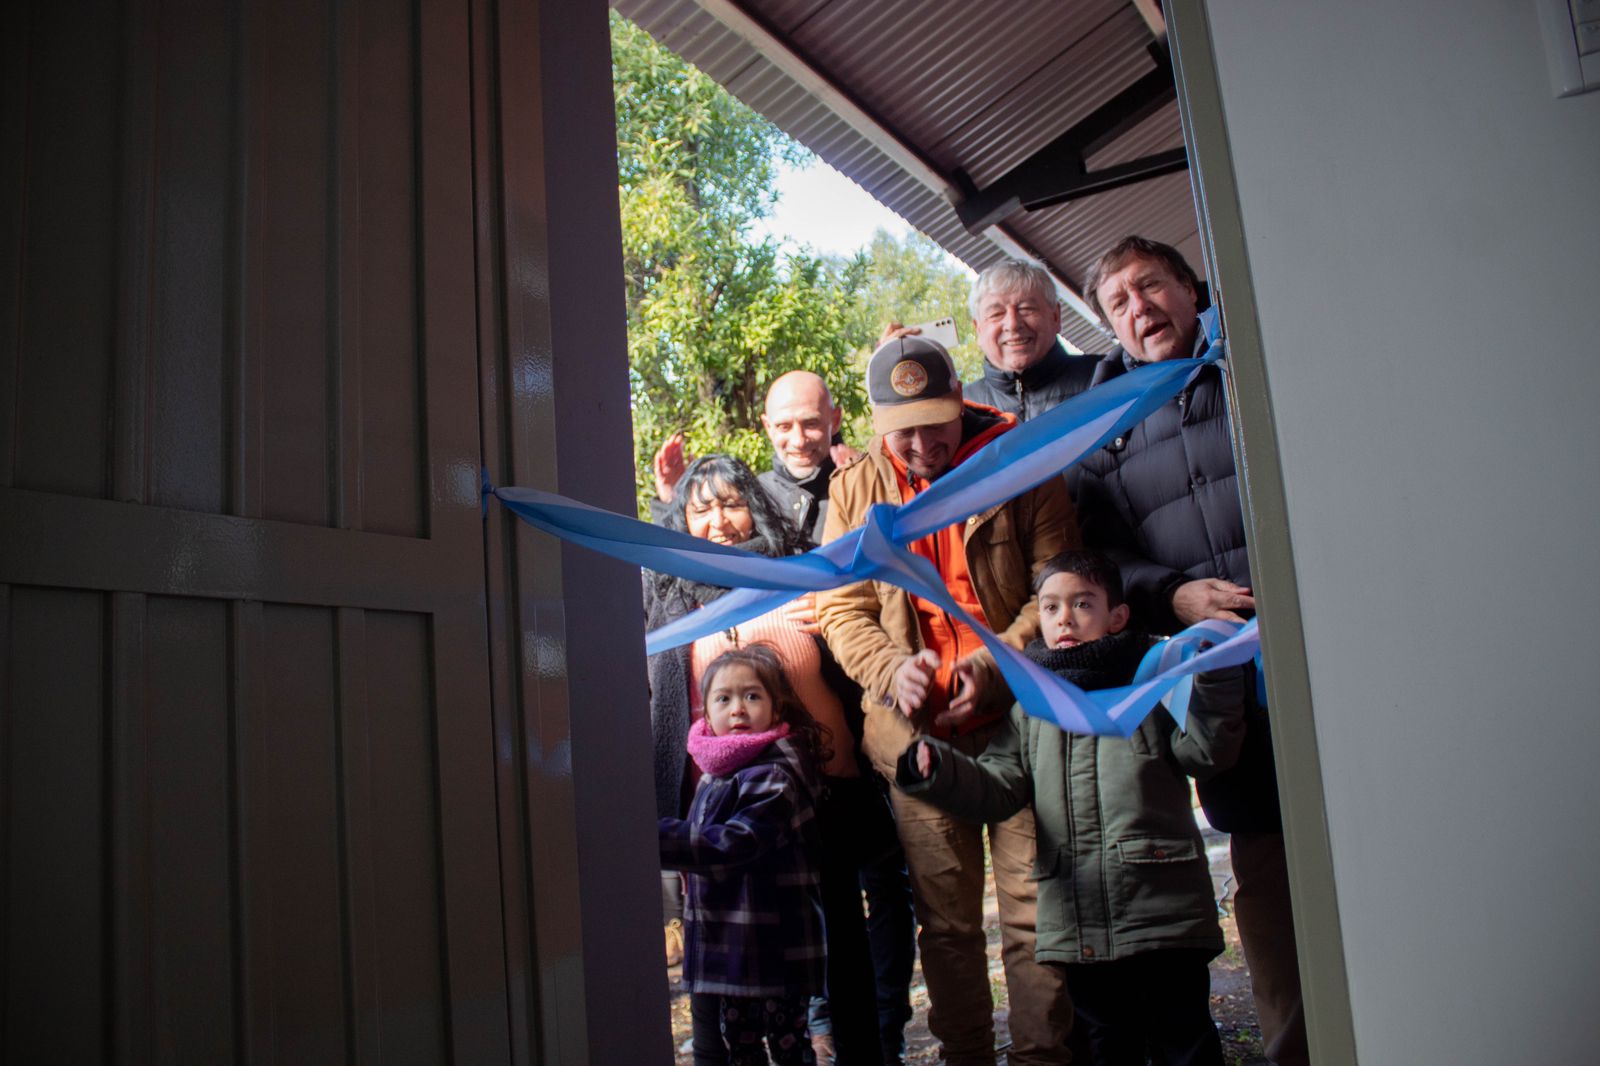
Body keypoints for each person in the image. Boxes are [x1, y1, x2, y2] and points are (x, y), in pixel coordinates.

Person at [1075, 235, 1307, 1065]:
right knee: (1267, 867)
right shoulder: (1102, 430)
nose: (1141, 309)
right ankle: (1291, 1046)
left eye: (1153, 287)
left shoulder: (1253, 362)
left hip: (1322, 664)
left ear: (1190, 289)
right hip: (1224, 690)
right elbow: (1100, 556)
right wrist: (1170, 593)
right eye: (1120, 303)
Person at [816, 335, 1077, 1066]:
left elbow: (1057, 588)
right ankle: (967, 1055)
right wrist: (892, 669)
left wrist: (993, 666)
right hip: (917, 738)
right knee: (948, 924)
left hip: (1021, 722)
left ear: (961, 396)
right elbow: (842, 610)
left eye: (938, 420)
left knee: (1035, 914)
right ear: (874, 422)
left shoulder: (1020, 463)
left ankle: (1043, 1057)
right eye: (905, 429)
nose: (925, 443)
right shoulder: (855, 488)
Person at [895, 551, 1246, 1066]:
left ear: (1117, 617)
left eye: (1083, 604)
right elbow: (999, 786)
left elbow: (1205, 753)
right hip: (1080, 920)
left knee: (1184, 1044)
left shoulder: (1151, 679)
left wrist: (1214, 676)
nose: (1066, 619)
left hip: (1163, 912)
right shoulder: (1034, 704)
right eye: (1052, 607)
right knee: (1109, 1047)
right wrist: (938, 769)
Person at [647, 455, 891, 1065]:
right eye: (702, 509)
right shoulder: (675, 596)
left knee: (840, 942)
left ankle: (866, 1055)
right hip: (724, 808)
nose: (721, 521)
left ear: (755, 505)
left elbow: (855, 636)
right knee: (725, 957)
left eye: (732, 503)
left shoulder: (800, 575)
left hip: (822, 797)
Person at [659, 644, 830, 1065]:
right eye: (724, 698)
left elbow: (737, 843)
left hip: (775, 947)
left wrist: (655, 837)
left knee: (789, 1046)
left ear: (776, 707)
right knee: (741, 1046)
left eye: (752, 696)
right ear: (705, 712)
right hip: (733, 948)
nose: (738, 709)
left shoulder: (775, 773)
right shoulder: (716, 773)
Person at [650, 370, 858, 543]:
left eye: (811, 424)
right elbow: (703, 565)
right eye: (784, 426)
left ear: (835, 419)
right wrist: (673, 502)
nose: (798, 440)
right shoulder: (754, 494)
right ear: (768, 427)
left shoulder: (861, 485)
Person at [880, 260, 1097, 422]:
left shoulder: (1104, 376)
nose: (1013, 324)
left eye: (1027, 308)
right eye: (996, 314)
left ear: (1056, 316)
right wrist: (889, 376)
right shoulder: (961, 410)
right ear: (978, 329)